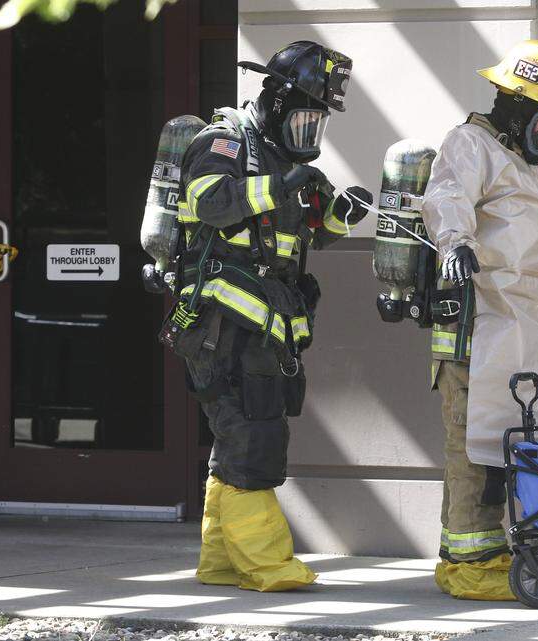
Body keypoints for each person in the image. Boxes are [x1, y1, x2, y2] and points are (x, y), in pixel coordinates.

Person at [169, 41, 372, 592]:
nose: (310, 132)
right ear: (278, 102)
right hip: (223, 322)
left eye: (317, 123)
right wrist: (281, 185)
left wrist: (342, 214)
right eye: (305, 118)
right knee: (253, 436)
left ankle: (221, 561)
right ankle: (266, 564)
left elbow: (308, 237)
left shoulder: (287, 161)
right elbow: (211, 202)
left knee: (240, 435)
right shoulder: (224, 143)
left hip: (262, 323)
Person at [421, 39, 538, 600]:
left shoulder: (525, 167)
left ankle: (503, 551)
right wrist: (455, 243)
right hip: (479, 325)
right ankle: (467, 563)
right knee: (474, 448)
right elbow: (447, 196)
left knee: (521, 443)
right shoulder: (469, 144)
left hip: (527, 328)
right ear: (516, 104)